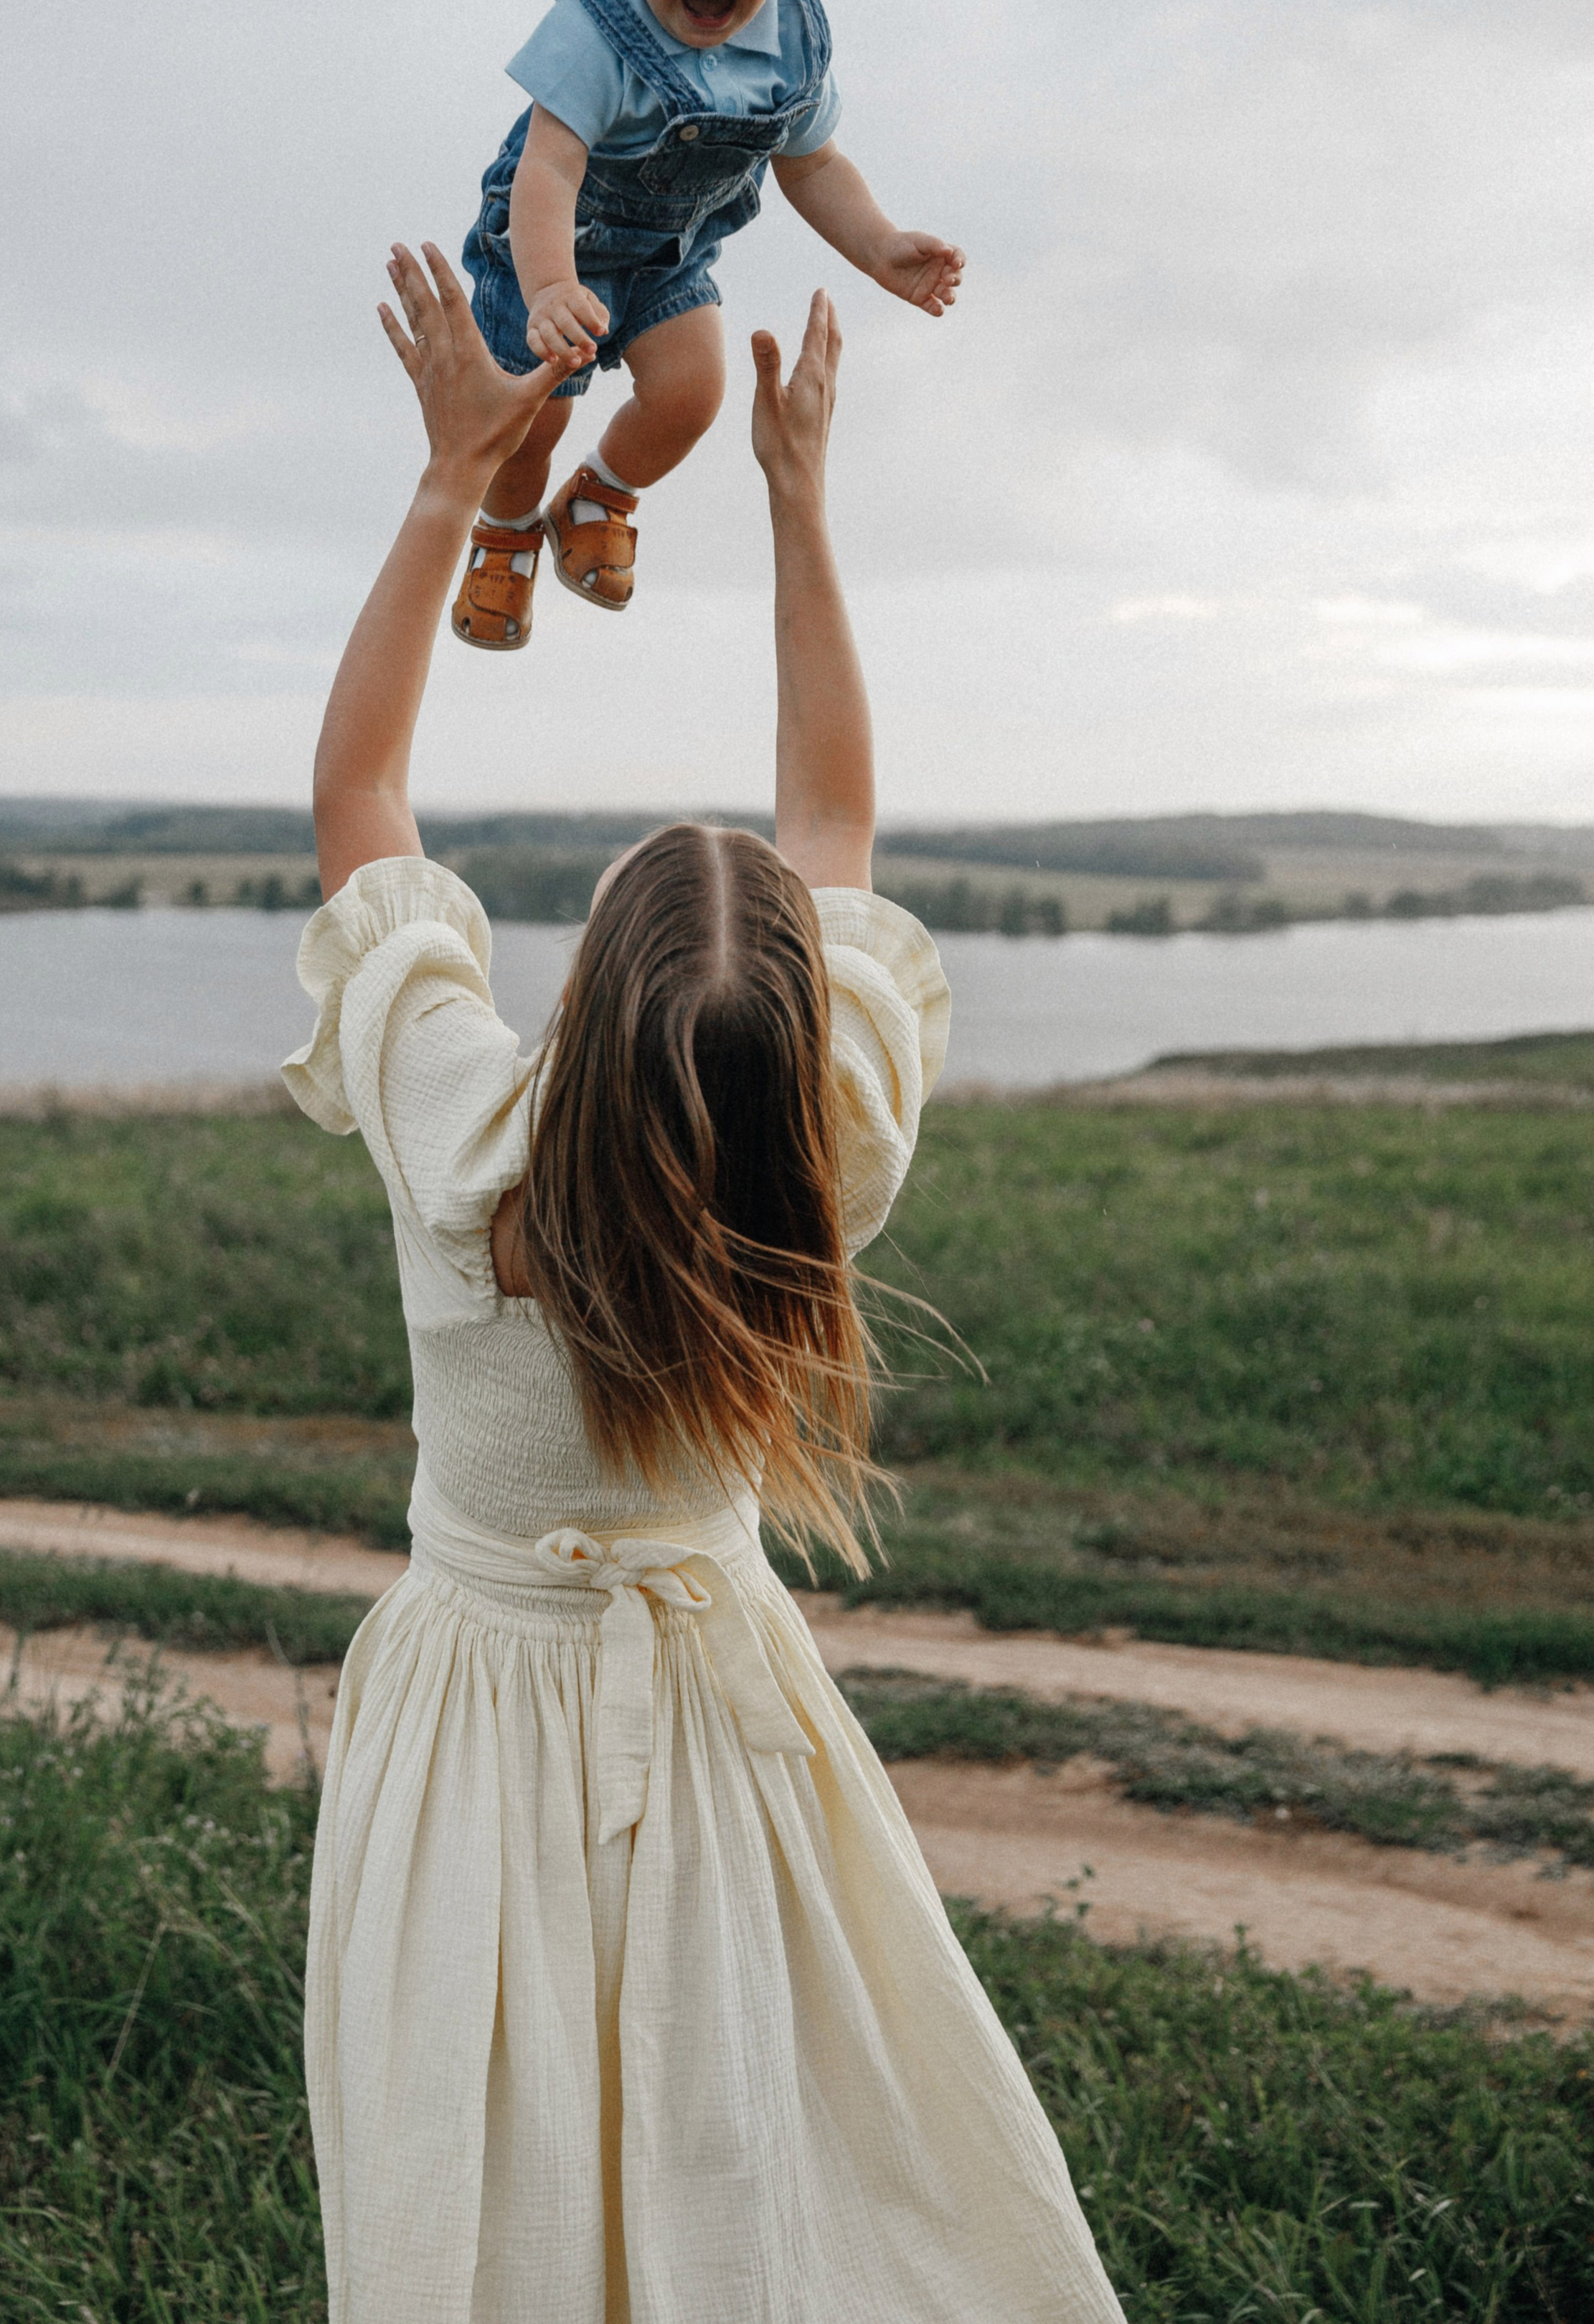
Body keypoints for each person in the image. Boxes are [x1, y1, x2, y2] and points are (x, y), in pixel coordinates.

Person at [284, 243, 1121, 2323]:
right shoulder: (818, 1156)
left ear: (574, 1001)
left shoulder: (471, 1133)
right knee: (760, 2161)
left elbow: (362, 801)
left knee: (483, 2194)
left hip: (475, 1727)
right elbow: (832, 810)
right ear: (794, 1043)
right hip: (725, 1715)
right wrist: (798, 495)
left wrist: (451, 484)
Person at [450, 0, 964, 649]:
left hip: (667, 261)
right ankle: (504, 533)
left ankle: (598, 497)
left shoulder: (790, 41)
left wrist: (879, 247)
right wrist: (546, 290)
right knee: (532, 422)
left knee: (695, 391)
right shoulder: (592, 32)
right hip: (546, 251)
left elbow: (812, 164)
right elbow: (547, 172)